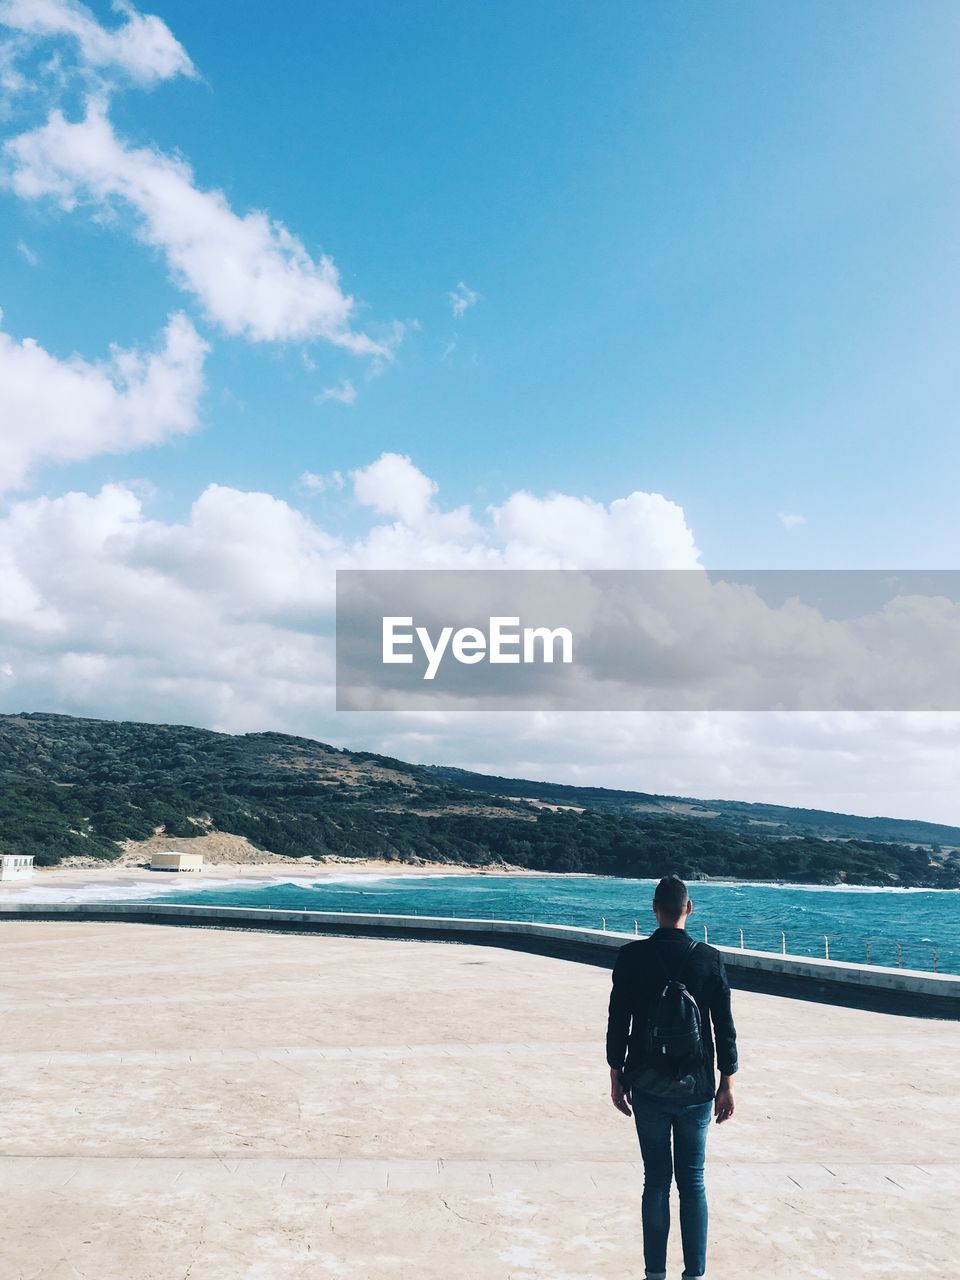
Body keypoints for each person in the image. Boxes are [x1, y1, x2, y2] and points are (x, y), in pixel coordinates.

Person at [605, 875, 738, 1280]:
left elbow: (618, 1021)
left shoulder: (630, 957)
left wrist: (616, 1074)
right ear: (689, 908)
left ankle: (654, 1275)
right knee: (693, 1182)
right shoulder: (709, 958)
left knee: (656, 1182)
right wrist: (727, 1082)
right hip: (696, 1087)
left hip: (646, 1084)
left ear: (654, 909)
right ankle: (694, 1274)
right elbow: (724, 1027)